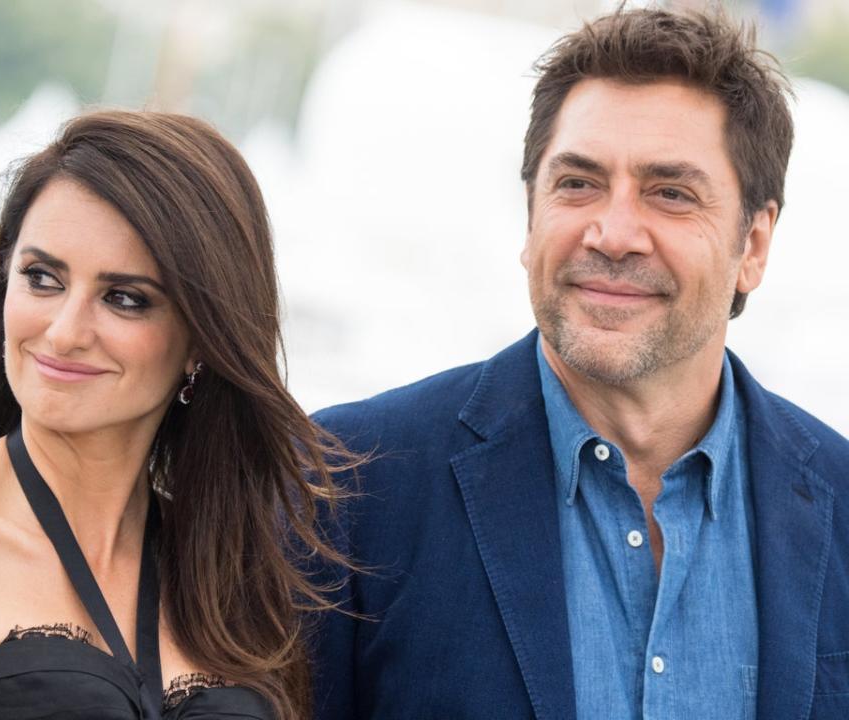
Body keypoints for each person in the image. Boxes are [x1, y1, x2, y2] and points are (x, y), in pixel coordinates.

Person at [311, 7, 849, 720]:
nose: (613, 232)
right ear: (530, 217)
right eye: (577, 183)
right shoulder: (349, 482)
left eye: (670, 193)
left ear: (753, 245)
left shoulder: (839, 504)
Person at [0, 111, 354, 720]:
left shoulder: (233, 577)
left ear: (201, 340)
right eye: (42, 278)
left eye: (124, 298)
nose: (63, 333)